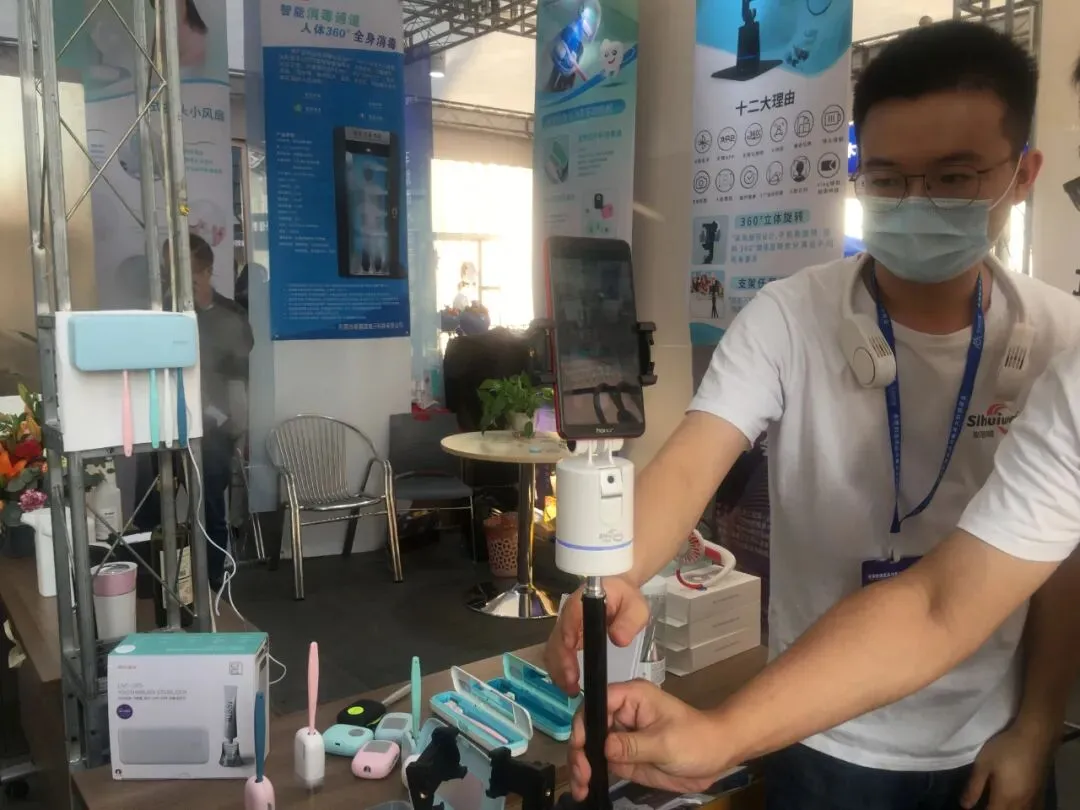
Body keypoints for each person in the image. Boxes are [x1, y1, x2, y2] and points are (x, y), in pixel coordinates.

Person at [549, 22, 1080, 810]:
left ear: (1023, 173)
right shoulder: (789, 317)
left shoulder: (1062, 341)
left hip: (984, 736)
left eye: (955, 177)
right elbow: (694, 461)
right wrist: (616, 574)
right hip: (818, 730)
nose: (916, 202)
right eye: (888, 178)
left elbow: (1055, 566)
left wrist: (1035, 727)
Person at [167, 233, 253, 590]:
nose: (176, 280)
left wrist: (234, 424)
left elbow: (239, 372)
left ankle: (213, 582)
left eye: (186, 272)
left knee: (210, 505)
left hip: (214, 427)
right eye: (170, 271)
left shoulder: (231, 315)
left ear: (206, 272)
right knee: (154, 505)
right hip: (162, 422)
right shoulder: (162, 313)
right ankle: (164, 583)